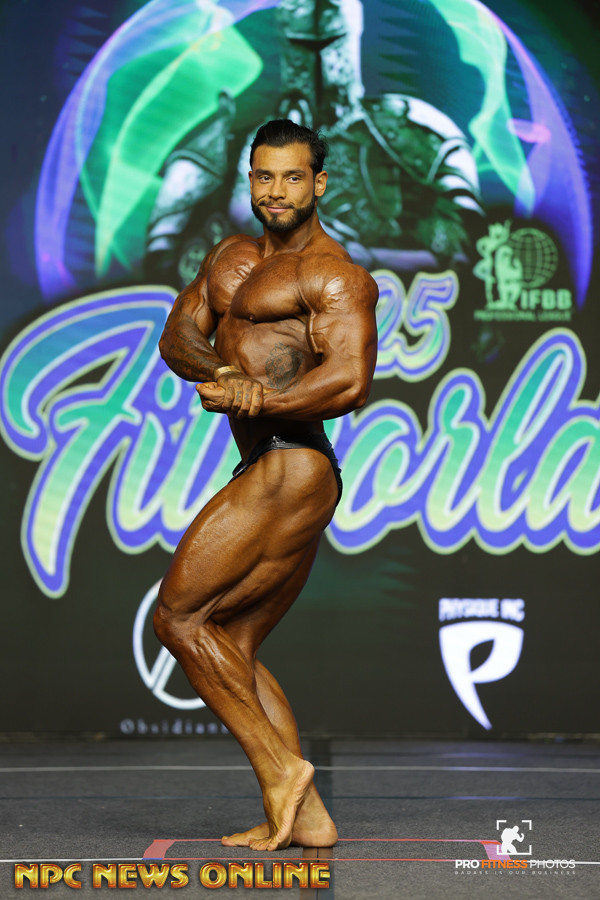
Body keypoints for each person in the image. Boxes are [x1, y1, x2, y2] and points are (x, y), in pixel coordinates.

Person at [154, 118, 379, 852]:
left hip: (294, 463)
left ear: (319, 183)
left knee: (178, 619)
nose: (276, 190)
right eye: (264, 175)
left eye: (292, 177)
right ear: (250, 180)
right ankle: (308, 818)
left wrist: (263, 401)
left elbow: (348, 381)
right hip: (272, 464)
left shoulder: (334, 275)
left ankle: (282, 772)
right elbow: (179, 335)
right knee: (230, 643)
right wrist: (225, 372)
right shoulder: (230, 256)